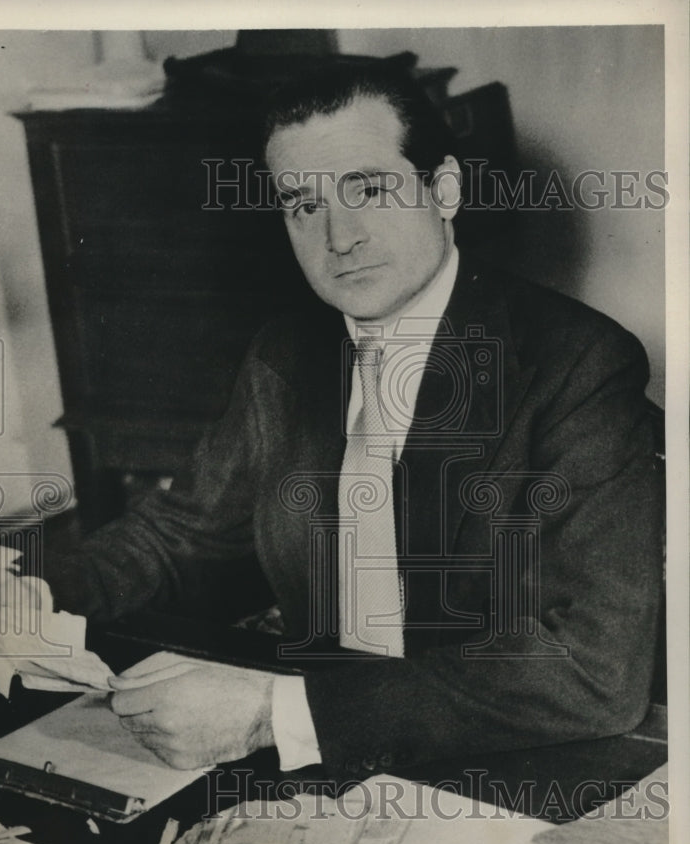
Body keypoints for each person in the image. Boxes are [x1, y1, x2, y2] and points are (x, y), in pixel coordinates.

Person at [37, 64, 662, 781]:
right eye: (303, 203)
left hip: (504, 764)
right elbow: (181, 534)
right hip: (319, 749)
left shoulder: (575, 363)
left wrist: (272, 713)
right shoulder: (286, 352)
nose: (338, 237)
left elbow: (593, 668)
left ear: (445, 190)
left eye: (368, 188)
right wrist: (24, 592)